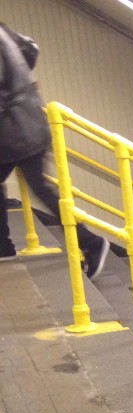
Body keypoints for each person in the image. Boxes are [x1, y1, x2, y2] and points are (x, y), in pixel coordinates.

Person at [0, 22, 108, 276]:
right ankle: (3, 247)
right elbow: (30, 49)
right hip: (26, 118)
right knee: (41, 187)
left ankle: (91, 242)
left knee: (42, 188)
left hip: (14, 129)